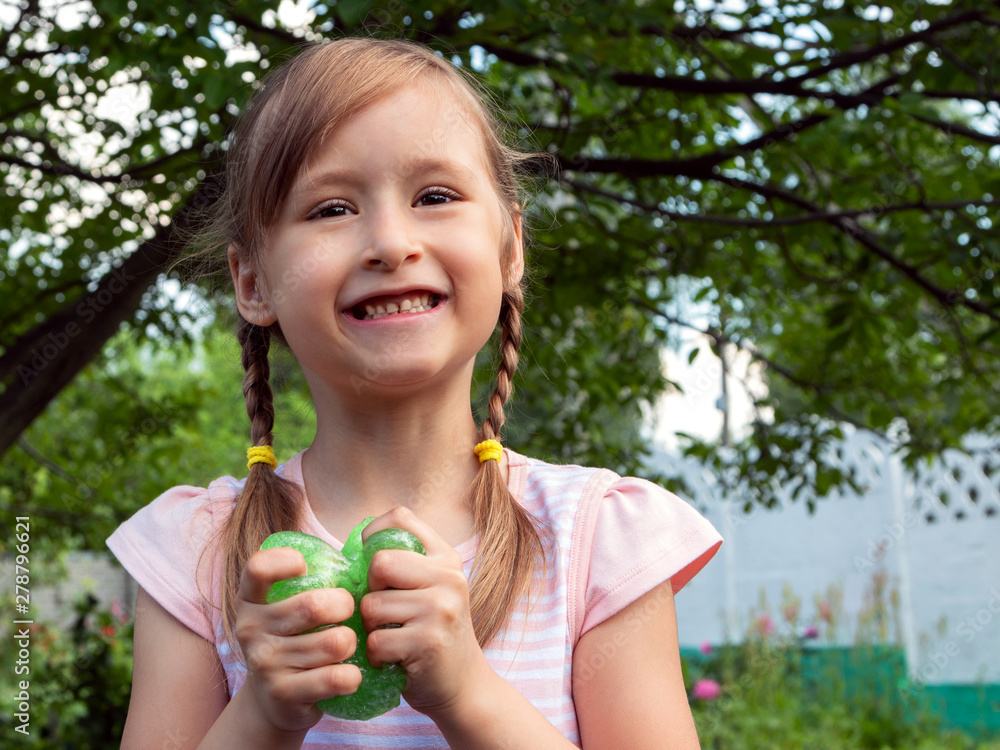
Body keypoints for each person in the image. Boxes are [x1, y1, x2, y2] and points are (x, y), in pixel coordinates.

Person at [107, 36, 722, 749]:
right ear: (253, 282)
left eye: (435, 196)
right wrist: (262, 716)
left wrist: (467, 693)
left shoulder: (598, 544)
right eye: (331, 209)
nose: (391, 242)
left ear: (509, 247)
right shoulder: (195, 554)